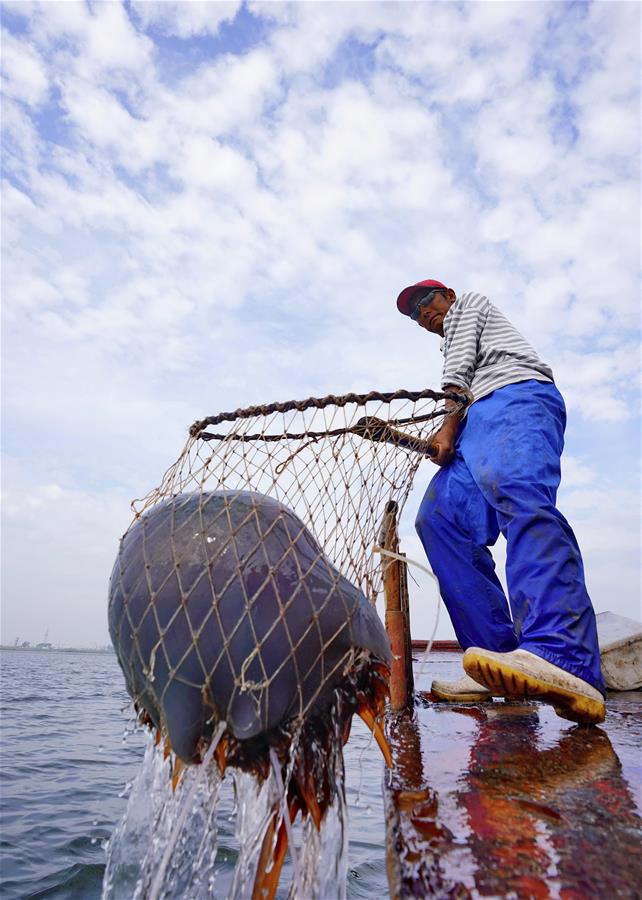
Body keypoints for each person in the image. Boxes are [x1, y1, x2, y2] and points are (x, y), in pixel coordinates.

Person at [396, 278, 606, 724]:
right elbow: (459, 386)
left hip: (516, 398)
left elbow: (457, 370)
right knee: (438, 520)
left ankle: (563, 655)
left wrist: (446, 430)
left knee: (522, 498)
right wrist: (454, 432)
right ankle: (492, 657)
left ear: (448, 296)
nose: (422, 314)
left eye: (425, 302)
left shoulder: (469, 306)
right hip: (474, 421)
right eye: (414, 314)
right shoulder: (451, 353)